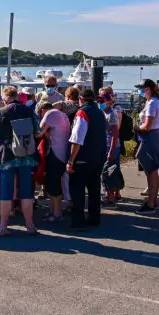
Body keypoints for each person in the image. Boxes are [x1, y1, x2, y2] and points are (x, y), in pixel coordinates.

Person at [0, 86, 40, 235]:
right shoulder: (29, 111)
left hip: (8, 157)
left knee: (6, 192)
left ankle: (3, 227)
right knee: (26, 192)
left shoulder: (2, 112)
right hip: (26, 156)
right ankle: (30, 225)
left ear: (5, 97)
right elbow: (37, 132)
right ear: (16, 96)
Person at [67, 88, 107, 229]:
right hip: (97, 157)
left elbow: (77, 139)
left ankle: (78, 221)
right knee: (94, 190)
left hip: (82, 158)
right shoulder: (100, 113)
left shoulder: (82, 113)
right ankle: (94, 218)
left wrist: (71, 160)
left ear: (81, 99)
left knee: (77, 191)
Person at [134, 79, 159, 215]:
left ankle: (151, 203)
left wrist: (136, 127)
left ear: (150, 89)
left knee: (151, 171)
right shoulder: (151, 101)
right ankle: (152, 199)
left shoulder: (153, 102)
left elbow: (147, 126)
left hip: (151, 137)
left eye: (143, 88)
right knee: (151, 170)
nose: (141, 90)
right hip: (153, 136)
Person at [37, 99, 71, 224]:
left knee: (53, 184)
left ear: (42, 110)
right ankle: (52, 210)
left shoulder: (51, 114)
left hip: (55, 154)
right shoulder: (62, 115)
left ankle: (57, 213)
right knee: (53, 184)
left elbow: (39, 132)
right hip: (62, 154)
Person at [98, 87, 125, 204]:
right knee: (109, 170)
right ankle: (112, 194)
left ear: (109, 101)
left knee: (110, 171)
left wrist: (111, 152)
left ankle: (111, 197)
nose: (100, 103)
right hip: (106, 145)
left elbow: (115, 135)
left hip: (112, 146)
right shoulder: (103, 112)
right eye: (99, 101)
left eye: (102, 101)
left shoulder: (112, 114)